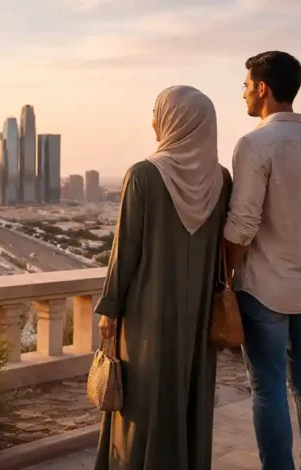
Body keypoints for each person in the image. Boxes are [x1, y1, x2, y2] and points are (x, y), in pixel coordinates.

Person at [95, 85, 232, 470]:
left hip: (146, 313)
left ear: (175, 120)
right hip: (199, 314)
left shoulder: (143, 176)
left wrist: (110, 308)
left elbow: (125, 253)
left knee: (140, 399)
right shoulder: (220, 181)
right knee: (188, 392)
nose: (153, 121)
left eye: (158, 112)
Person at [224, 51, 301, 470]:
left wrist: (226, 273)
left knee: (268, 387)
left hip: (264, 289)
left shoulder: (255, 144)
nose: (242, 94)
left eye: (245, 86)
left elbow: (242, 225)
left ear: (263, 88)